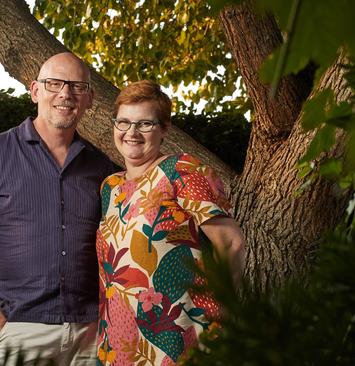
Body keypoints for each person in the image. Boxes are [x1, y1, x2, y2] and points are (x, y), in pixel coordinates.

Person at [0, 52, 113, 365]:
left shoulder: (101, 166)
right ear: (35, 90)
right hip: (21, 331)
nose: (65, 94)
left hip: (91, 336)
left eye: (77, 87)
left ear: (90, 99)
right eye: (54, 84)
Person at [95, 80, 245, 365]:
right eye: (123, 122)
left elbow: (233, 243)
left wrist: (216, 323)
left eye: (145, 124)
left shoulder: (180, 170)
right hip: (119, 346)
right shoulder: (109, 188)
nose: (132, 133)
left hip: (183, 340)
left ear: (164, 129)